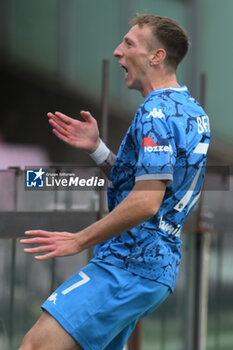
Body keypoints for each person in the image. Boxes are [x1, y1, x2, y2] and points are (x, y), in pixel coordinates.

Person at [19, 14, 210, 350]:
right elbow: (149, 184)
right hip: (153, 269)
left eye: (129, 43)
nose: (118, 51)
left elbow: (146, 201)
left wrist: (79, 240)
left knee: (36, 345)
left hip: (127, 266)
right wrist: (97, 148)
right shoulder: (191, 111)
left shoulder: (156, 113)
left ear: (156, 56)